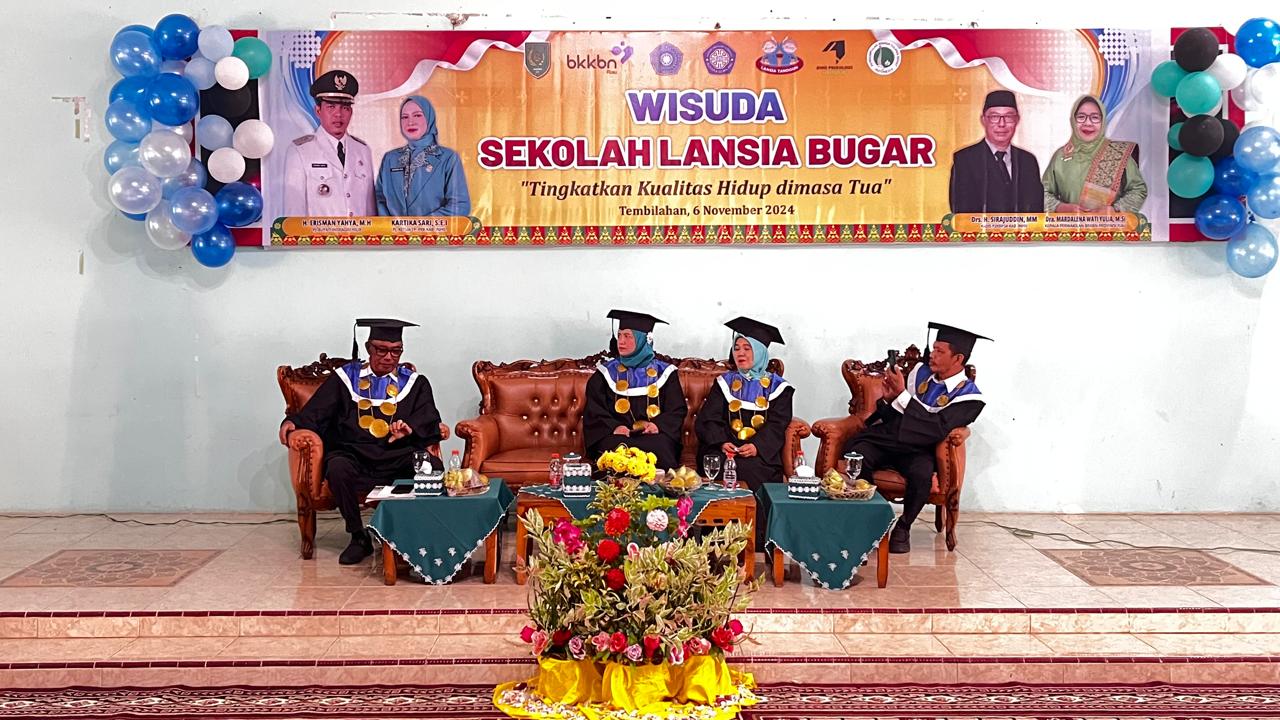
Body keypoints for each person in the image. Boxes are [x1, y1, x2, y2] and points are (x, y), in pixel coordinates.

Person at [279, 318, 444, 565]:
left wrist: (408, 428)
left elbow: (429, 418)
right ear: (368, 348)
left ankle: (407, 532)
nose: (389, 357)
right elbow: (317, 410)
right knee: (337, 468)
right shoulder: (345, 378)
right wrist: (293, 422)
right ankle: (358, 536)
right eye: (382, 350)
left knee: (432, 467)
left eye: (396, 351)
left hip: (395, 454)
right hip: (353, 454)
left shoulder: (415, 382)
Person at [842, 323, 989, 554]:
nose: (932, 355)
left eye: (940, 351)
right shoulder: (919, 374)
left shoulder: (969, 397)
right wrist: (889, 400)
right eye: (933, 348)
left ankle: (903, 526)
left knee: (921, 474)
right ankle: (872, 520)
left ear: (958, 358)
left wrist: (902, 396)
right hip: (889, 439)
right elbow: (896, 417)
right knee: (858, 455)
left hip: (921, 448)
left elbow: (935, 429)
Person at [694, 317, 795, 491]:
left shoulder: (779, 388)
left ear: (760, 351)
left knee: (752, 469)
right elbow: (709, 418)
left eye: (747, 348)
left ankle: (753, 510)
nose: (740, 353)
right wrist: (721, 442)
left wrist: (757, 446)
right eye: (737, 348)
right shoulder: (724, 383)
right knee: (720, 463)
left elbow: (777, 425)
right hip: (724, 450)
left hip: (759, 453)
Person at [583, 310, 687, 470]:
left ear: (643, 340)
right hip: (618, 437)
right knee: (612, 451)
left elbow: (676, 410)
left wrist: (657, 426)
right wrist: (615, 427)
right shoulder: (605, 373)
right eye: (619, 335)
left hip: (653, 437)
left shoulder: (666, 373)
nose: (621, 341)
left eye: (628, 336)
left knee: (661, 448)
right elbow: (595, 410)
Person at [283, 70, 375, 218]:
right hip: (319, 234)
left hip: (359, 233)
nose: (338, 114)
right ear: (318, 111)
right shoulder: (300, 151)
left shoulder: (363, 150)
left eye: (344, 107)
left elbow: (370, 212)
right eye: (331, 107)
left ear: (351, 112)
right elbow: (294, 213)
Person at [1042, 95, 1148, 214]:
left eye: (1095, 117)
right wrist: (1059, 207)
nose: (1088, 123)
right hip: (1069, 225)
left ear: (1103, 122)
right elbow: (1042, 193)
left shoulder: (1118, 152)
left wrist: (1115, 210)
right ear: (1073, 120)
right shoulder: (1061, 156)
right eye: (1081, 117)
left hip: (1111, 225)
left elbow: (1138, 190)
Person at [948, 90, 1045, 214]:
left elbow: (1036, 209)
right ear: (983, 120)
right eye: (994, 117)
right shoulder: (965, 160)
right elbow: (961, 211)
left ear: (1017, 120)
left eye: (1008, 117)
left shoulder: (1028, 161)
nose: (1002, 124)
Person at [375, 96, 471, 217]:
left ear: (429, 118)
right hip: (392, 230)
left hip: (434, 230)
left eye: (417, 115)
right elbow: (380, 199)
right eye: (405, 117)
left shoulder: (448, 158)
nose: (410, 122)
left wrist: (422, 225)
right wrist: (390, 226)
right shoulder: (390, 158)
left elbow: (460, 205)